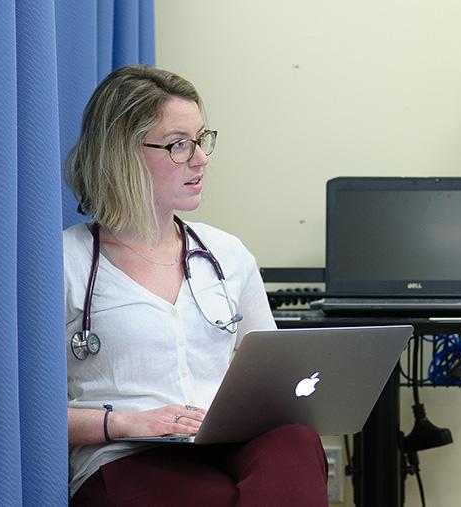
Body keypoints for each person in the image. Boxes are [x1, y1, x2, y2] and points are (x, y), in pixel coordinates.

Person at [64, 65, 328, 506]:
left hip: (226, 443)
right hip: (126, 455)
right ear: (121, 154)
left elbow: (274, 378)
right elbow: (26, 417)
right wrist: (127, 422)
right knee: (213, 497)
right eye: (179, 145)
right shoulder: (66, 263)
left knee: (295, 440)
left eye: (201, 140)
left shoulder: (227, 254)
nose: (201, 158)